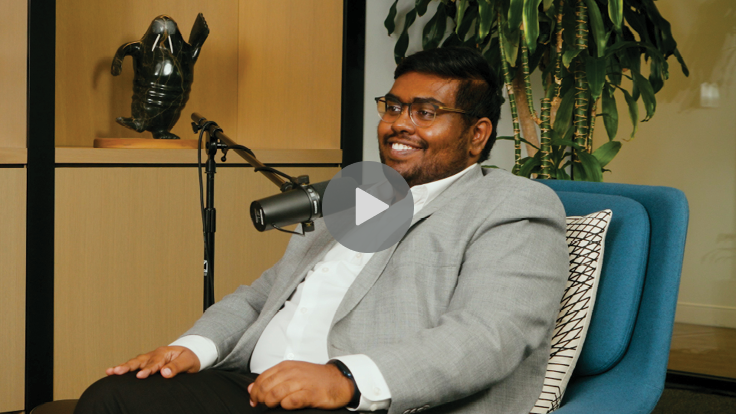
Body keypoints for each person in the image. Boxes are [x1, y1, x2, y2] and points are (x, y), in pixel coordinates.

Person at [74, 47, 568, 414]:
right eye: (393, 107)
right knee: (115, 398)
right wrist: (193, 348)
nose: (399, 124)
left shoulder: (513, 205)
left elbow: (488, 336)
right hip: (254, 386)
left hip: (367, 404)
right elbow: (261, 295)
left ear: (477, 134)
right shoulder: (363, 193)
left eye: (426, 112)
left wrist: (344, 379)